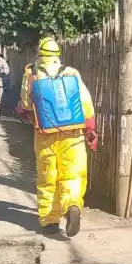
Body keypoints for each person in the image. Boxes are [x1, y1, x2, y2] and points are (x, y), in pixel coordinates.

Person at [15, 37, 98, 237]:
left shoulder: (31, 74)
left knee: (48, 175)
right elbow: (86, 102)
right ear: (58, 55)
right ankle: (72, 205)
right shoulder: (71, 73)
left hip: (45, 134)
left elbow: (26, 105)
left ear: (39, 55)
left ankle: (50, 220)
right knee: (73, 173)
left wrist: (21, 111)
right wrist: (90, 129)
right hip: (73, 132)